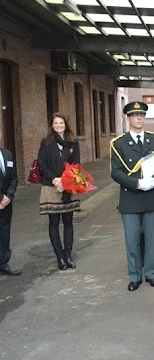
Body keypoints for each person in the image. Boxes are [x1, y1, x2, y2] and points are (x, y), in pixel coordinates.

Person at [110, 102, 154, 291]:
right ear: (128, 118)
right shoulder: (118, 143)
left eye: (142, 115)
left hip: (151, 197)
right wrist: (137, 183)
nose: (139, 118)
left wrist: (153, 180)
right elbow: (116, 172)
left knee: (151, 238)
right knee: (132, 239)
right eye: (135, 115)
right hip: (130, 197)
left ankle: (152, 273)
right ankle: (134, 275)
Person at [38, 113, 81, 270]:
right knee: (54, 222)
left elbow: (76, 164)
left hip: (68, 186)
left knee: (68, 221)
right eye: (55, 123)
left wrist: (65, 181)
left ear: (65, 124)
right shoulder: (46, 142)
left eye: (61, 123)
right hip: (51, 186)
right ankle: (59, 257)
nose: (58, 126)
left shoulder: (73, 142)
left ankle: (68, 256)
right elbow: (42, 164)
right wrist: (55, 180)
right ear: (52, 125)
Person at [0, 146, 19, 276]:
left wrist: (8, 196)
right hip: (2, 199)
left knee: (4, 233)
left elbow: (14, 178)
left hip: (6, 203)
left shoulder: (7, 154)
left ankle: (3, 263)